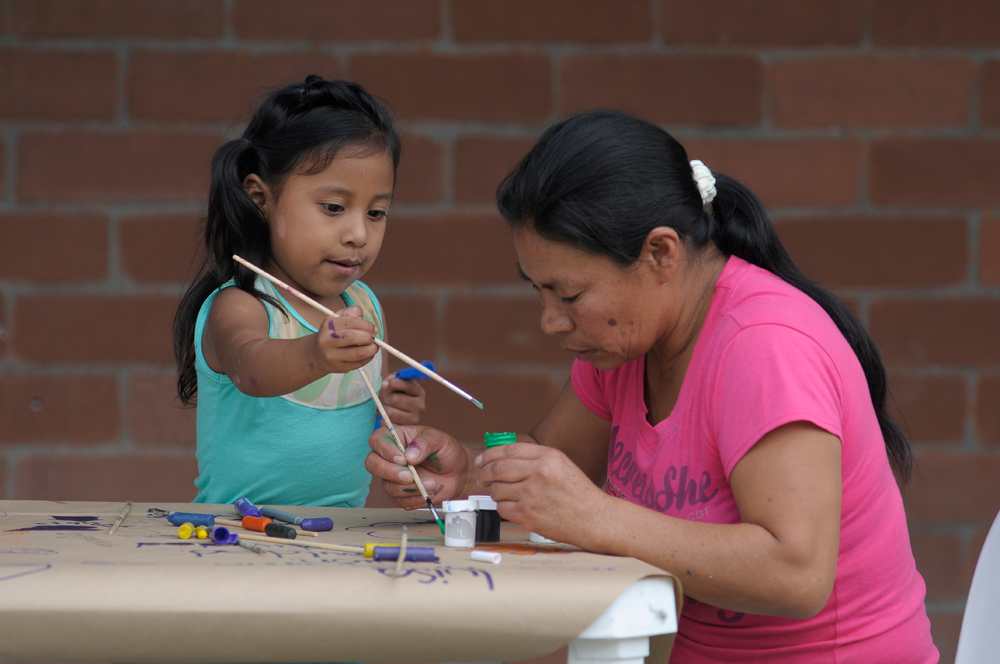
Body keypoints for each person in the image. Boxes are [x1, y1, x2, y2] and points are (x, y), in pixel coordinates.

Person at [366, 110, 938, 662]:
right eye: (538, 292)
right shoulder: (626, 345)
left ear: (661, 253)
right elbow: (548, 473)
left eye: (569, 296)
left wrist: (594, 517)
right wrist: (466, 473)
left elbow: (797, 573)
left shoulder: (764, 345)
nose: (550, 321)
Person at [174, 75, 426, 508]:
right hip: (240, 537)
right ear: (260, 198)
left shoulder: (362, 304)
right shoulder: (241, 303)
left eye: (377, 211)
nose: (358, 233)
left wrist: (389, 407)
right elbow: (249, 368)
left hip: (339, 536)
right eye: (333, 208)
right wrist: (317, 354)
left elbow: (352, 418)